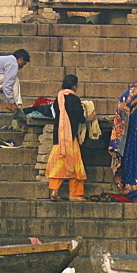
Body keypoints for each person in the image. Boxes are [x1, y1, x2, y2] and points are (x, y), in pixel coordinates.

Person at [46, 74, 87, 202]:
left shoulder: (58, 98)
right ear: (75, 86)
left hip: (58, 137)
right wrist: (89, 118)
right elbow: (80, 118)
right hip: (70, 137)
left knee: (58, 164)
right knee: (76, 165)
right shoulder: (74, 99)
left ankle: (54, 191)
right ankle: (74, 194)